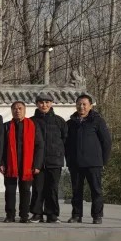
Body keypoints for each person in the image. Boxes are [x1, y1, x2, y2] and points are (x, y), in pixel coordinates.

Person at [66, 94, 112, 224]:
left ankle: (97, 215)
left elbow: (106, 142)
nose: (81, 107)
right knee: (76, 191)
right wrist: (68, 159)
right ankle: (76, 215)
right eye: (79, 104)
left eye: (84, 104)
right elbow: (66, 144)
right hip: (75, 163)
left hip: (94, 163)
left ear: (90, 106)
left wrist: (103, 161)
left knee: (96, 190)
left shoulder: (98, 121)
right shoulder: (70, 123)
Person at [1, 101, 44, 223]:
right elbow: (1, 147)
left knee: (25, 190)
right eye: (15, 109)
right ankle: (10, 215)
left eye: (20, 108)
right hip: (10, 163)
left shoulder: (32, 126)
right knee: (10, 191)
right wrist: (1, 163)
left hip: (27, 164)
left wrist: (37, 164)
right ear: (11, 111)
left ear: (25, 110)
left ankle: (24, 215)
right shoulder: (6, 126)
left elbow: (39, 146)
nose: (17, 111)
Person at [31, 92, 68, 223]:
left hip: (55, 161)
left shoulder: (59, 121)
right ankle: (37, 214)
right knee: (37, 188)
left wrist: (59, 154)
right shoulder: (31, 121)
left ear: (51, 103)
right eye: (41, 102)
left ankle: (52, 214)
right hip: (37, 162)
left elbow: (65, 139)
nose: (44, 105)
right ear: (37, 104)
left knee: (52, 189)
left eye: (47, 102)